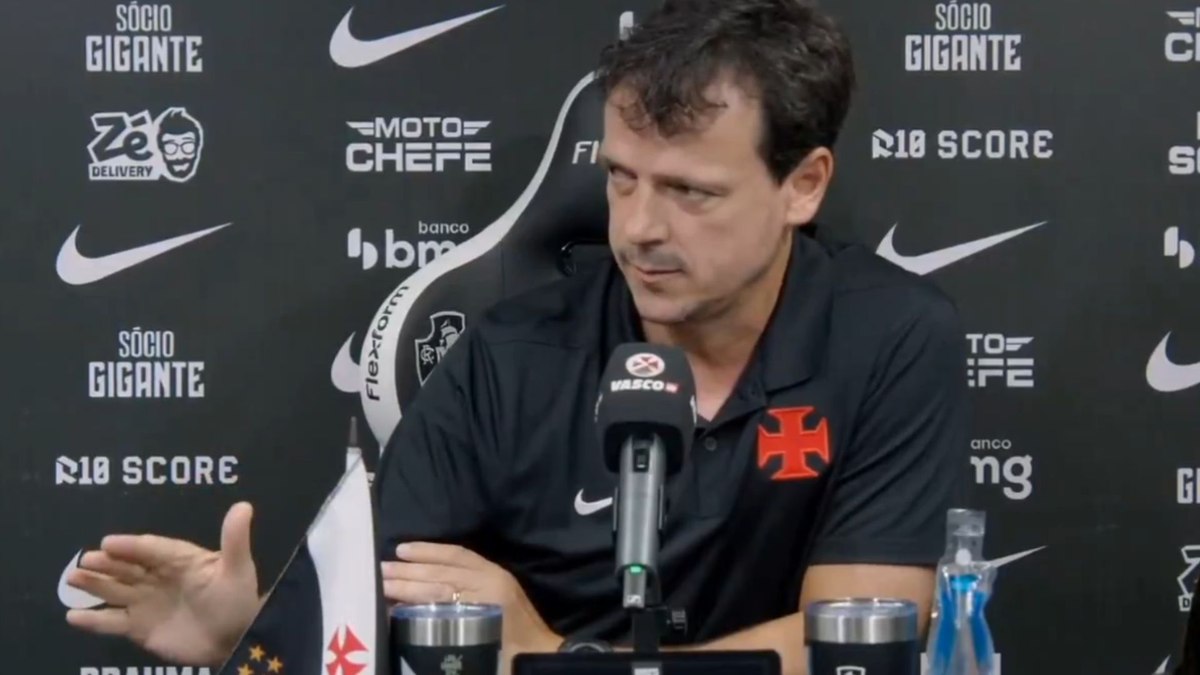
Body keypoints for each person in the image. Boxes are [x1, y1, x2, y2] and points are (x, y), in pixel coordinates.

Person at [63, 1, 970, 674]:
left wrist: (555, 657)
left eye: (690, 191)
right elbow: (375, 629)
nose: (639, 228)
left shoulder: (891, 337)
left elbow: (859, 647)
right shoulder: (508, 354)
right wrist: (253, 631)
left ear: (804, 185)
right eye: (621, 177)